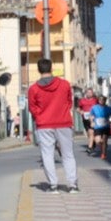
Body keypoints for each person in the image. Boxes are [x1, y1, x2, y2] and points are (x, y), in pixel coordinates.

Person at [28, 58, 80, 191]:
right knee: (68, 154)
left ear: (39, 70)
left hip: (44, 124)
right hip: (63, 122)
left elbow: (32, 108)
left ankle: (53, 185)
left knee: (47, 154)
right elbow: (69, 102)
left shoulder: (33, 89)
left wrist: (40, 116)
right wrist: (62, 111)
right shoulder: (64, 84)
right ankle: (72, 185)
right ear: (51, 68)